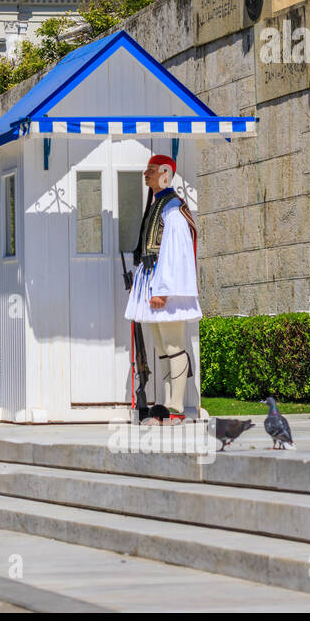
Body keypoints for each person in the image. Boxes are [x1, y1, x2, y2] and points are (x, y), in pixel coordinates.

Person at [124, 154, 199, 425]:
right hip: (151, 282)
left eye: (152, 170)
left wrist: (163, 290)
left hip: (163, 285)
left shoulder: (172, 208)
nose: (146, 174)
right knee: (161, 347)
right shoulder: (158, 205)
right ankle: (165, 405)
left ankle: (176, 406)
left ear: (165, 174)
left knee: (173, 344)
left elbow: (174, 253)